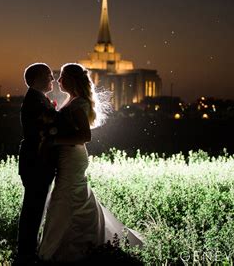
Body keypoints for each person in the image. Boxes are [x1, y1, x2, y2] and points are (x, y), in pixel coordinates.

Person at [38, 63, 144, 262]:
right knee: (70, 195)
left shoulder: (78, 104)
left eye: (62, 77)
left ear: (72, 80)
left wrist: (54, 139)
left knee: (65, 195)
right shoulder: (73, 101)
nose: (58, 80)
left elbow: (85, 136)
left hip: (72, 156)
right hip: (68, 155)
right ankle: (69, 244)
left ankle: (69, 248)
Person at [16, 63, 58, 264]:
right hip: (36, 162)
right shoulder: (35, 101)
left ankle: (27, 250)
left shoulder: (38, 99)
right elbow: (47, 129)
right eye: (49, 76)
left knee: (35, 207)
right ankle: (26, 253)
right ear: (37, 79)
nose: (53, 79)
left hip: (37, 161)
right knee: (33, 208)